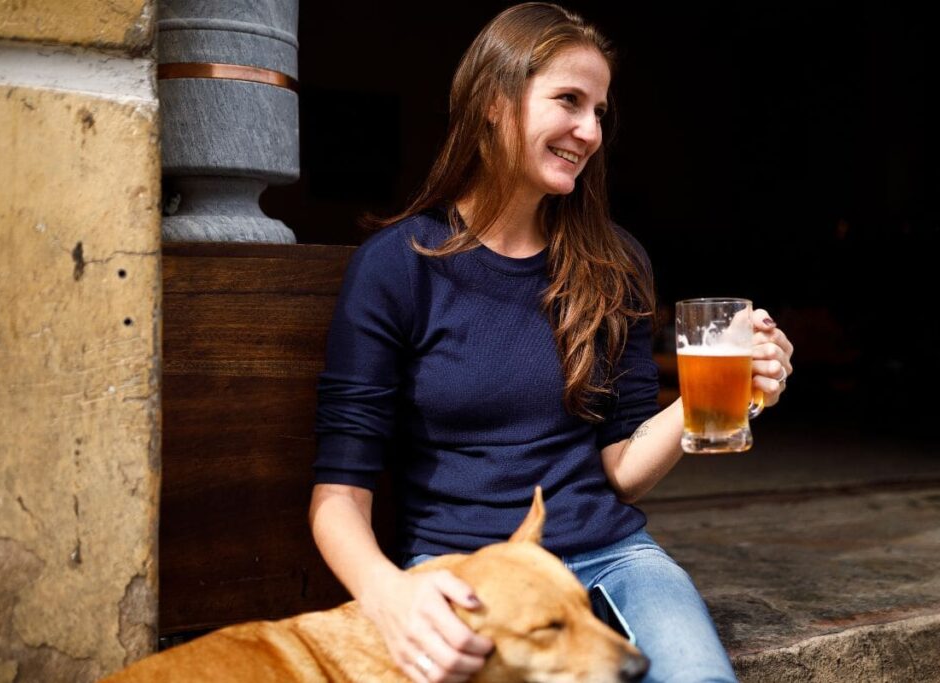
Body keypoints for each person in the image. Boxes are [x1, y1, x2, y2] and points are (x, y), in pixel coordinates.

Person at [309, 3, 794, 682]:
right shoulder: (398, 265)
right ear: (493, 101)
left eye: (599, 110)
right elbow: (339, 496)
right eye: (568, 100)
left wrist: (720, 396)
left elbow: (620, 468)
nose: (589, 130)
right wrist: (389, 593)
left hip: (611, 553)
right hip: (466, 567)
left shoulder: (615, 262)